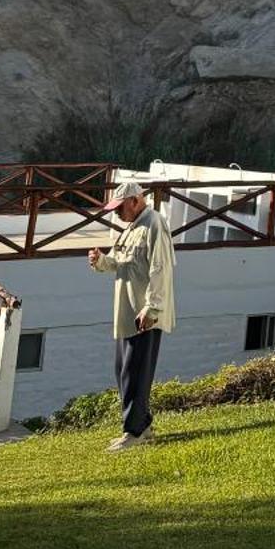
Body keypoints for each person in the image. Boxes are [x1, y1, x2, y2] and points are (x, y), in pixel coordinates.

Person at [88, 177, 177, 450]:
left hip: (144, 315)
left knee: (135, 372)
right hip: (127, 314)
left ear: (135, 201)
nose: (116, 212)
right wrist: (101, 261)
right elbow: (120, 263)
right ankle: (143, 425)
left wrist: (152, 307)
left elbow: (160, 269)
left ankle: (134, 432)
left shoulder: (154, 224)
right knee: (124, 371)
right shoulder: (131, 227)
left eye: (119, 207)